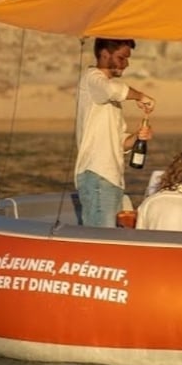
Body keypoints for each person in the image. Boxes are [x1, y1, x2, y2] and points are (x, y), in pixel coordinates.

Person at [74, 37, 155, 227]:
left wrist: (137, 137)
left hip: (112, 177)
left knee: (111, 236)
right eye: (121, 58)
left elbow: (120, 142)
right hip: (97, 174)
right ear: (104, 54)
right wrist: (140, 96)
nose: (126, 64)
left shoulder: (106, 95)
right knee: (100, 238)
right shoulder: (93, 78)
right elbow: (112, 90)